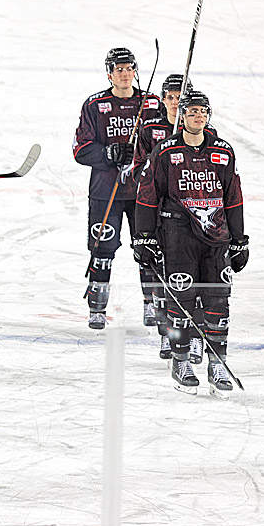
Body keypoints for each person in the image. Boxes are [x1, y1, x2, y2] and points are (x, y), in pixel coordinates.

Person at [133, 89, 247, 398]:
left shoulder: (223, 152)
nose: (198, 116)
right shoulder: (166, 152)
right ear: (181, 115)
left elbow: (233, 198)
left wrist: (239, 240)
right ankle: (181, 361)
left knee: (218, 302)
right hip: (178, 236)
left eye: (203, 111)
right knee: (181, 301)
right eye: (192, 111)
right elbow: (147, 197)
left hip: (216, 239)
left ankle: (217, 363)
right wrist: (143, 236)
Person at [72, 47, 162, 329]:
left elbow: (167, 142)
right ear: (109, 73)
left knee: (149, 247)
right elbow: (80, 149)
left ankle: (152, 303)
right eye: (118, 69)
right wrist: (107, 154)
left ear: (136, 71)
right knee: (102, 249)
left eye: (129, 68)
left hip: (143, 193)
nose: (124, 74)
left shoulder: (152, 103)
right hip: (105, 192)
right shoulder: (95, 105)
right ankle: (96, 309)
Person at [132, 74, 217, 359]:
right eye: (170, 97)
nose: (175, 102)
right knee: (162, 278)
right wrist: (161, 160)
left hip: (191, 220)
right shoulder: (150, 130)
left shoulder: (207, 134)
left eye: (182, 98)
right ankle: (168, 335)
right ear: (163, 99)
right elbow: (137, 173)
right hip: (158, 214)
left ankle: (194, 336)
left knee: (192, 281)